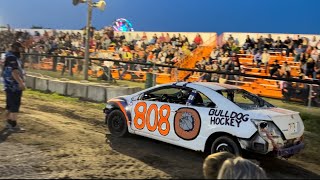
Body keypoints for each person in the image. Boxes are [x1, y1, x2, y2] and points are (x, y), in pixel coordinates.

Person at [2, 41, 26, 132]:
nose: (21, 50)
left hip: (9, 85)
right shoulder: (12, 57)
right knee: (15, 105)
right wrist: (21, 83)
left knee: (10, 105)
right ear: (15, 48)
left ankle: (9, 123)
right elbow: (14, 72)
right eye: (19, 48)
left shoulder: (9, 55)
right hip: (13, 85)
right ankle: (13, 125)